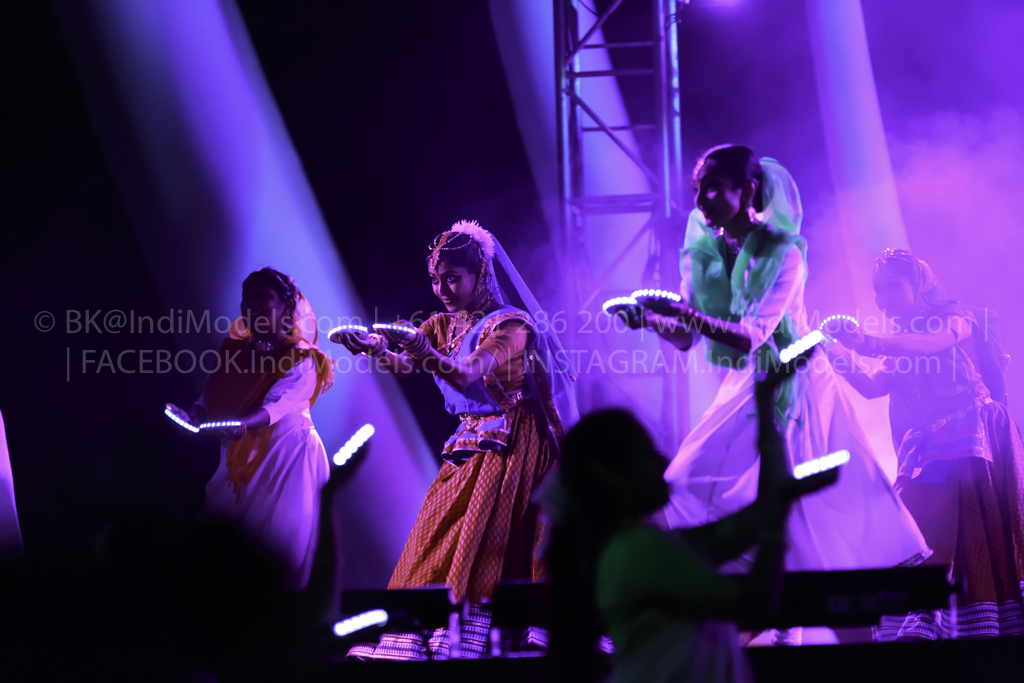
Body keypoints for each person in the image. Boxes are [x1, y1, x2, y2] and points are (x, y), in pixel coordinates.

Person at [621, 146, 928, 639]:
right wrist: (651, 321)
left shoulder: (784, 251)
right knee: (690, 482)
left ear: (748, 190)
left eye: (713, 186)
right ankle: (760, 623)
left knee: (813, 510)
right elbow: (685, 338)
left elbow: (751, 335)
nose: (700, 199)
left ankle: (837, 634)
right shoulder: (708, 252)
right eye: (697, 188)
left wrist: (684, 314)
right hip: (748, 379)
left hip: (796, 378)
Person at [334, 220, 577, 659]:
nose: (442, 289)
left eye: (452, 278)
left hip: (513, 443)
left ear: (480, 273)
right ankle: (423, 635)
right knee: (438, 530)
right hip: (469, 440)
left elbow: (465, 377)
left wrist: (423, 352)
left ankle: (477, 638)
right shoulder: (442, 324)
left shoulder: (512, 326)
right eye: (435, 279)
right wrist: (374, 348)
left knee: (487, 539)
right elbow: (404, 367)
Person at [547, 358, 839, 682]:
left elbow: (755, 517)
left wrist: (766, 400)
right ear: (609, 476)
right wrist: (775, 527)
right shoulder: (636, 551)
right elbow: (754, 605)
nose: (663, 461)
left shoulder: (639, 546)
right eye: (646, 454)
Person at [828, 248, 1024, 639]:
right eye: (878, 289)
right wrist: (834, 353)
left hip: (976, 437)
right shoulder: (900, 343)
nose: (883, 297)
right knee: (920, 528)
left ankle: (970, 625)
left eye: (894, 286)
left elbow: (928, 345)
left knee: (971, 531)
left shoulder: (956, 319)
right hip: (932, 447)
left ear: (917, 284)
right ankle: (929, 619)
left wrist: (866, 343)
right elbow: (872, 386)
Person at [166, 267, 334, 590]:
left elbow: (277, 407)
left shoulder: (302, 357)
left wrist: (243, 424)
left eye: (262, 296)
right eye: (247, 297)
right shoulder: (234, 351)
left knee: (272, 546)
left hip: (287, 456)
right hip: (241, 453)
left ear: (287, 307)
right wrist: (190, 417)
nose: (251, 304)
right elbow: (212, 398)